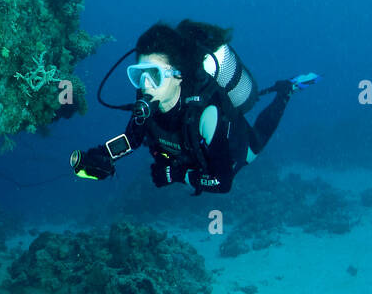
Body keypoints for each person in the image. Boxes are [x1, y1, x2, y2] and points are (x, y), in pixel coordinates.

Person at [72, 20, 316, 194]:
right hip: (189, 158)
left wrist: (174, 175)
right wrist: (102, 155)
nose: (145, 84)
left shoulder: (206, 112)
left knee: (257, 142)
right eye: (139, 75)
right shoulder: (148, 102)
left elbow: (222, 183)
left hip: (232, 151)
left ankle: (285, 92)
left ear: (178, 75)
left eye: (154, 74)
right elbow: (132, 138)